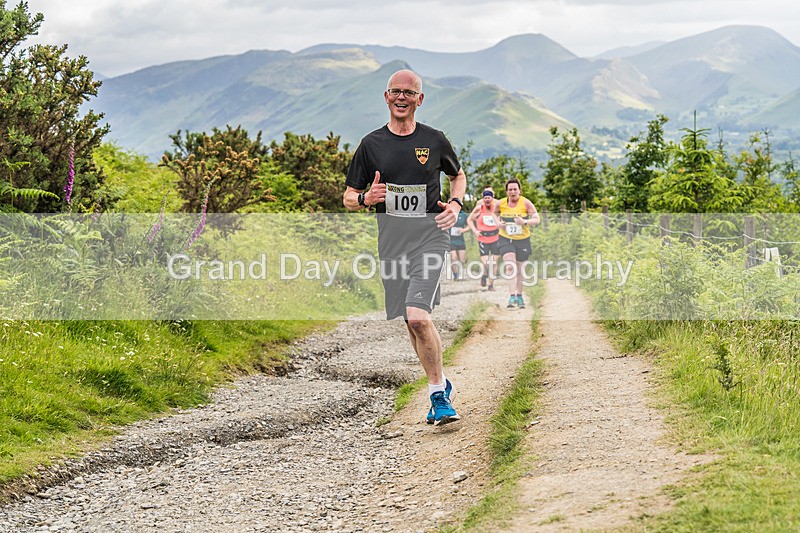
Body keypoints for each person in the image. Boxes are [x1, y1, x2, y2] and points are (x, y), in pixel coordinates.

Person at [343, 69, 466, 426]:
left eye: (408, 93)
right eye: (395, 91)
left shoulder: (435, 139)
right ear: (385, 97)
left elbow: (457, 175)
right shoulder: (371, 145)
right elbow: (349, 197)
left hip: (430, 235)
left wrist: (456, 206)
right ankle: (440, 382)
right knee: (411, 323)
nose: (401, 97)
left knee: (417, 315)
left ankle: (438, 396)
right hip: (391, 243)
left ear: (419, 99)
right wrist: (367, 197)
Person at [495, 178, 540, 308]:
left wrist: (525, 222)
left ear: (519, 190)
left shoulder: (526, 203)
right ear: (507, 191)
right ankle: (511, 297)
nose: (513, 192)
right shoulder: (501, 203)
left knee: (520, 270)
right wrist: (498, 223)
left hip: (523, 240)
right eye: (510, 190)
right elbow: (494, 214)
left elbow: (537, 219)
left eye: (515, 189)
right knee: (510, 266)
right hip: (505, 238)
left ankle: (519, 296)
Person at [467, 189, 500, 290]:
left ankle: (491, 285)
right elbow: (469, 219)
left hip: (496, 238)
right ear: (483, 199)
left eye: (488, 197)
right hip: (483, 238)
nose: (487, 200)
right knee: (486, 263)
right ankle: (484, 274)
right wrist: (475, 231)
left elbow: (503, 218)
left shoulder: (497, 208)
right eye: (485, 198)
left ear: (492, 198)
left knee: (494, 262)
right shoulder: (479, 208)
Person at [448, 209, 469, 280]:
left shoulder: (463, 214)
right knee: (453, 258)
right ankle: (456, 276)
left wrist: (463, 230)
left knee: (462, 260)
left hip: (460, 241)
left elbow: (470, 225)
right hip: (450, 241)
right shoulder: (447, 213)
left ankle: (459, 273)